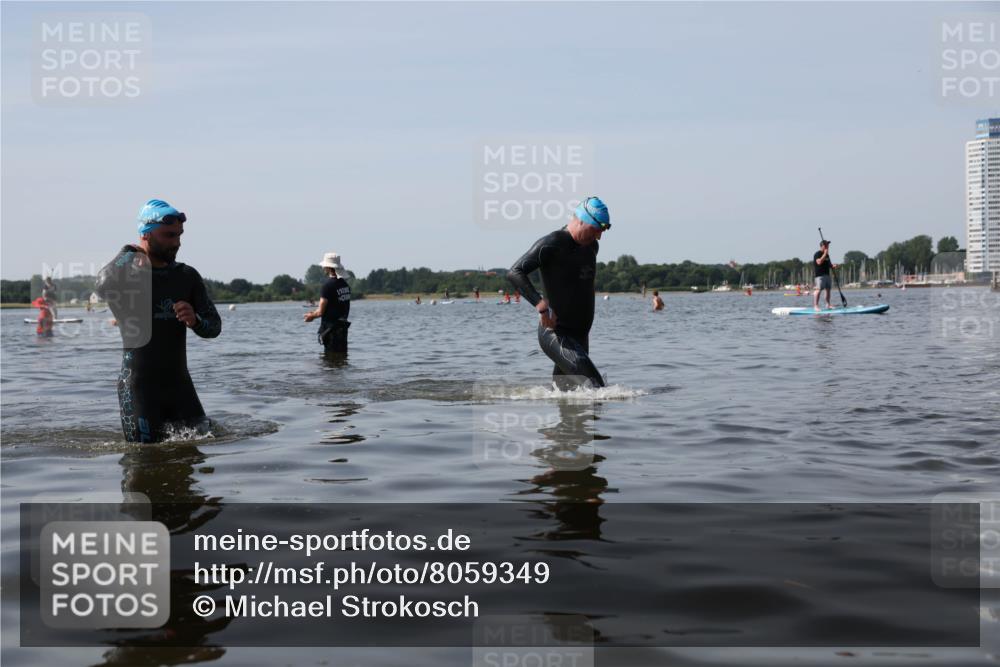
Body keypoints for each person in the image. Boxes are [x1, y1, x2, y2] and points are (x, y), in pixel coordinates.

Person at [96, 199, 221, 443]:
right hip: (139, 390)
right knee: (143, 458)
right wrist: (128, 252)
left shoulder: (186, 276)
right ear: (146, 234)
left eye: (179, 235)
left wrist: (195, 321)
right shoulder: (126, 277)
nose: (177, 242)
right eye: (169, 235)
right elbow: (102, 286)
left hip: (180, 387)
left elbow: (214, 327)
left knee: (201, 449)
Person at [508, 196, 611, 388]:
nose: (598, 236)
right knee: (596, 389)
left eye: (602, 231)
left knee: (569, 399)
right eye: (596, 229)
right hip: (556, 334)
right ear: (581, 220)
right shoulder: (553, 243)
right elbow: (515, 272)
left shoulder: (591, 247)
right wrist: (540, 305)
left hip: (581, 338)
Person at [304, 252, 351, 356]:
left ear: (329, 268)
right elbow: (335, 306)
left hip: (331, 331)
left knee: (330, 359)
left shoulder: (327, 286)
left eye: (324, 266)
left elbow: (321, 312)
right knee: (342, 358)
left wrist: (311, 316)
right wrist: (314, 312)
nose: (323, 268)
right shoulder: (345, 285)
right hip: (342, 329)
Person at [813, 240, 836, 311]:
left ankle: (828, 304)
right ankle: (816, 306)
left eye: (828, 245)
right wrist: (825, 254)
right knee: (818, 290)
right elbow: (819, 262)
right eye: (826, 245)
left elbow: (829, 264)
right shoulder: (817, 254)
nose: (827, 247)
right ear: (822, 246)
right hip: (820, 275)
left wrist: (832, 266)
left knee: (828, 290)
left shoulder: (827, 255)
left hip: (827, 274)